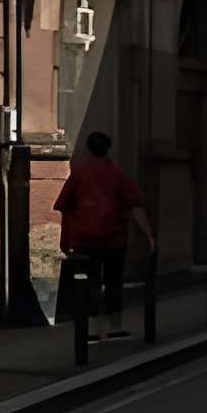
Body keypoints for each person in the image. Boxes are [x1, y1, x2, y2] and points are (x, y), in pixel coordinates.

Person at [56, 130, 151, 337]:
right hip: (113, 240)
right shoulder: (118, 174)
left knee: (89, 284)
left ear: (89, 148)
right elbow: (136, 206)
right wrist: (149, 236)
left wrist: (65, 240)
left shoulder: (79, 173)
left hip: (83, 240)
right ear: (108, 148)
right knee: (114, 283)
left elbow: (64, 206)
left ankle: (91, 329)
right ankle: (115, 327)